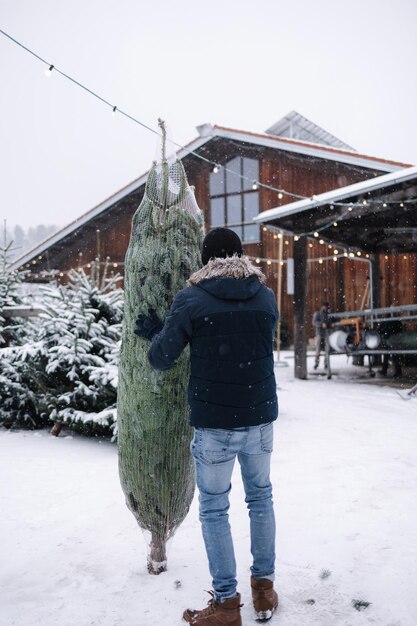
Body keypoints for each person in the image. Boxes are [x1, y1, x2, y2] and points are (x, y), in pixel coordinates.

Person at [135, 227, 279, 626]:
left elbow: (162, 358)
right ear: (239, 255)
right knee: (261, 499)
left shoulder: (192, 298)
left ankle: (227, 604)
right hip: (260, 418)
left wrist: (160, 333)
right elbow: (252, 341)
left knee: (215, 509)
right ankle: (263, 592)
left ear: (205, 260)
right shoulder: (265, 296)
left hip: (215, 424)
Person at [312, 301, 333, 369]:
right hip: (319, 333)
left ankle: (326, 364)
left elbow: (331, 322)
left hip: (327, 333)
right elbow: (314, 322)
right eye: (325, 306)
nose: (326, 308)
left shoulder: (329, 314)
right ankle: (316, 363)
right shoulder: (318, 314)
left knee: (327, 349)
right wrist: (321, 324)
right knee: (318, 349)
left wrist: (331, 325)